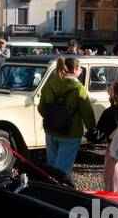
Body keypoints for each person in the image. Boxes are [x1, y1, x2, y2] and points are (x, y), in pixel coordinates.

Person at [37, 56, 95, 185]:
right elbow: (87, 114)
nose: (80, 70)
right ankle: (61, 191)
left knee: (51, 164)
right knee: (63, 167)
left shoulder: (50, 85)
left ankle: (49, 186)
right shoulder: (79, 88)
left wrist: (53, 118)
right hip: (71, 132)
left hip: (51, 130)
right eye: (80, 68)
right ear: (75, 70)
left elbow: (41, 108)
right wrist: (92, 129)